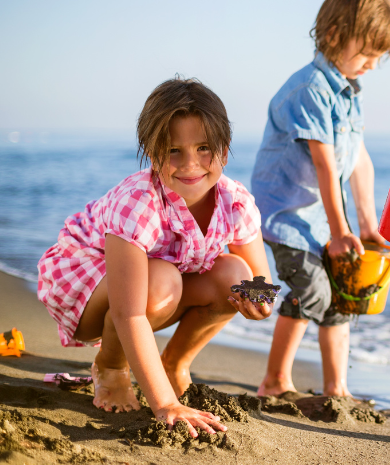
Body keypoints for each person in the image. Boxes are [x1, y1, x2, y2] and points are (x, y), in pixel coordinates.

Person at [37, 77, 274, 438]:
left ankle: (174, 362)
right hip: (87, 286)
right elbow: (128, 311)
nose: (191, 164)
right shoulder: (139, 201)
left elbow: (261, 280)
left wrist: (258, 302)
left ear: (225, 151)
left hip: (160, 289)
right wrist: (165, 404)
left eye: (204, 148)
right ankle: (111, 367)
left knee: (235, 274)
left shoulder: (235, 201)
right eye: (174, 151)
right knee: (162, 280)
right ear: (152, 153)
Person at [253, 0, 390, 398]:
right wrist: (339, 232)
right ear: (335, 35)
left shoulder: (349, 95)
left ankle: (337, 388)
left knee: (344, 295)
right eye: (369, 52)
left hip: (323, 218)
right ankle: (275, 380)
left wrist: (368, 225)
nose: (373, 63)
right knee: (310, 289)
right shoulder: (310, 90)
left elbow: (358, 161)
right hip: (290, 217)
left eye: (380, 56)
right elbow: (322, 162)